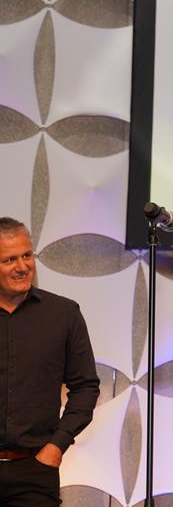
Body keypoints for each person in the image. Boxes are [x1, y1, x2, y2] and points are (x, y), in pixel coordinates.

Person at [0, 217, 100, 507]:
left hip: (35, 470)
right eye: (9, 260)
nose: (22, 267)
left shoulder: (64, 314)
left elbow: (85, 387)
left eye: (27, 255)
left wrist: (56, 446)